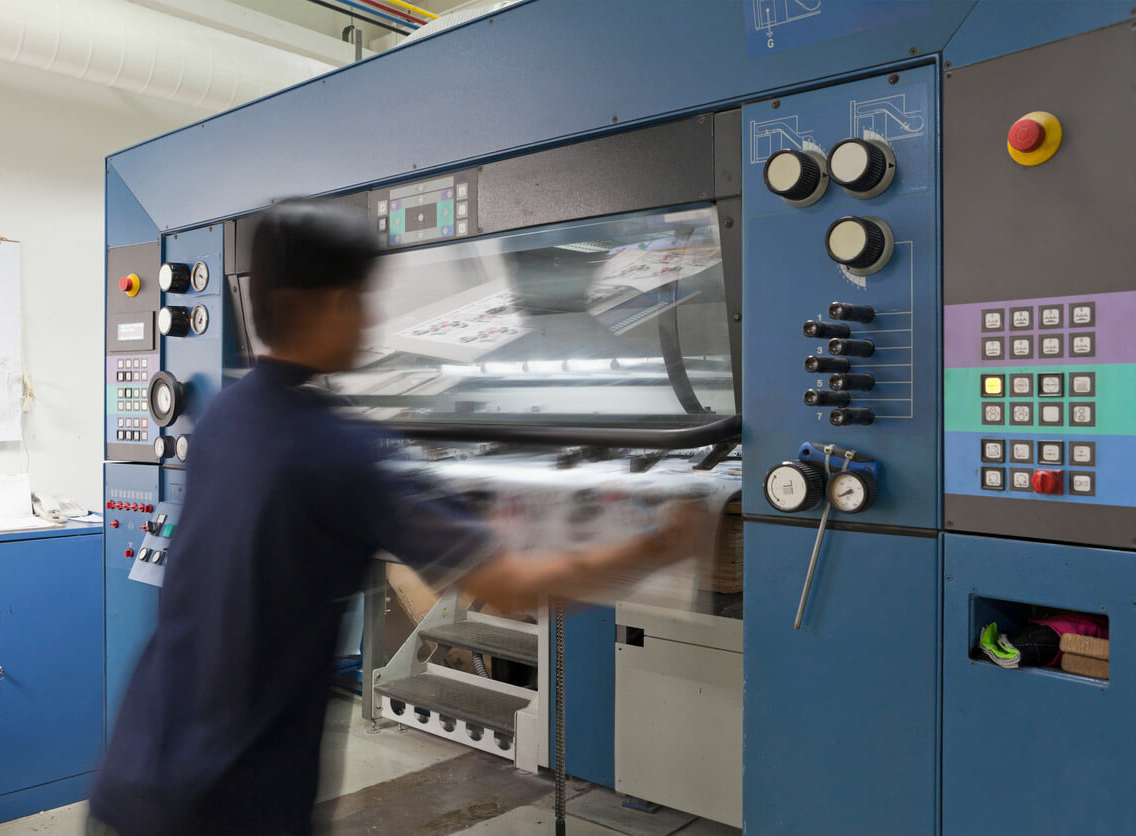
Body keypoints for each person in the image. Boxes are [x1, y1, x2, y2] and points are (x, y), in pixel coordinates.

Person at [88, 198, 709, 836]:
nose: (371, 318)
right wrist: (655, 547)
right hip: (232, 803)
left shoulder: (223, 416)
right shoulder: (341, 452)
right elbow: (510, 587)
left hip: (136, 774)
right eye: (363, 298)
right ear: (332, 304)